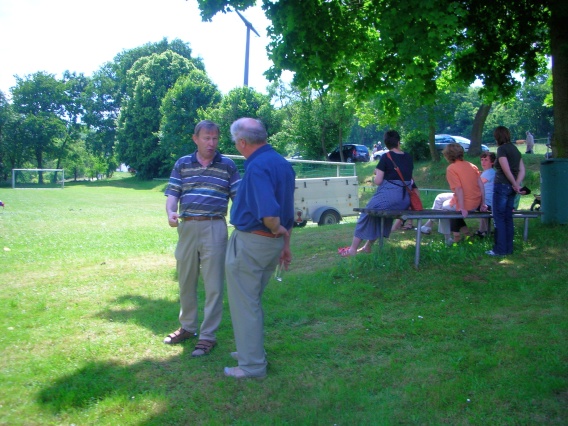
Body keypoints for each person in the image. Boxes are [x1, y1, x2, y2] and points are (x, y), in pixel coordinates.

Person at [224, 118, 295, 379]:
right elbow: (288, 209)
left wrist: (276, 228)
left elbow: (271, 215)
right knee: (251, 301)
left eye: (235, 141)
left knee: (245, 304)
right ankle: (249, 351)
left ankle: (252, 365)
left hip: (253, 242)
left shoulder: (256, 166)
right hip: (270, 245)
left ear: (242, 142)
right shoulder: (282, 163)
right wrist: (285, 243)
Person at [163, 120, 241, 357]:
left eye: (215, 138)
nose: (211, 143)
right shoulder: (182, 163)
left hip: (215, 227)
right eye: (207, 138)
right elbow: (173, 193)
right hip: (187, 227)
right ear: (195, 139)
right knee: (185, 280)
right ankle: (187, 327)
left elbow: (238, 197)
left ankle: (208, 336)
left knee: (213, 285)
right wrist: (170, 212)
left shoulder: (227, 165)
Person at [338, 130, 414, 256]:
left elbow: (378, 181)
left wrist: (376, 173)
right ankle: (367, 246)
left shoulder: (386, 157)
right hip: (405, 200)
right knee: (381, 216)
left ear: (386, 144)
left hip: (389, 197)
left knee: (366, 213)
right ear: (398, 142)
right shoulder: (408, 157)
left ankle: (352, 250)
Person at [487, 126, 525, 256]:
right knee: (508, 218)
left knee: (499, 218)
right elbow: (522, 170)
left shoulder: (502, 149)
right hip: (511, 188)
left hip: (502, 185)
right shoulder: (515, 150)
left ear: (497, 137)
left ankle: (500, 249)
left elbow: (505, 169)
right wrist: (517, 184)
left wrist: (514, 183)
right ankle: (509, 248)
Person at [438, 143, 487, 245]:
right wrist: (482, 204)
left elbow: (459, 189)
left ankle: (451, 237)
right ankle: (465, 233)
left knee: (443, 208)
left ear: (448, 155)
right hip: (476, 202)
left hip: (466, 203)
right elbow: (481, 186)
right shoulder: (472, 166)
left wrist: (462, 207)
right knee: (440, 198)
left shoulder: (451, 168)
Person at [476, 152, 496, 237]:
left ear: (492, 162)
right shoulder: (486, 172)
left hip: (487, 202)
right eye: (482, 160)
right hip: (486, 201)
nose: (483, 162)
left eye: (486, 160)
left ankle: (484, 232)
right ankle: (482, 231)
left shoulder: (490, 172)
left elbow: (477, 185)